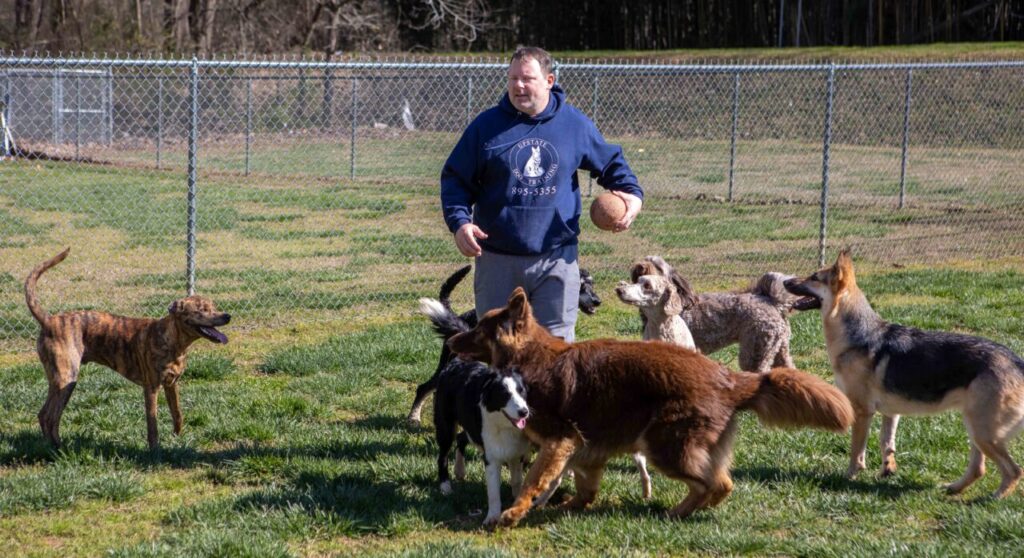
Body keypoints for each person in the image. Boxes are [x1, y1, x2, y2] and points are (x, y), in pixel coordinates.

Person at [440, 46, 643, 341]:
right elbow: (456, 179)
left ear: (549, 80)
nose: (518, 85)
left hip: (556, 257)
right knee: (498, 348)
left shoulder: (573, 125)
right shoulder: (487, 127)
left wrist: (632, 197)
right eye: (512, 78)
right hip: (497, 256)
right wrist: (460, 224)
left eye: (527, 78)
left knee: (556, 350)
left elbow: (613, 165)